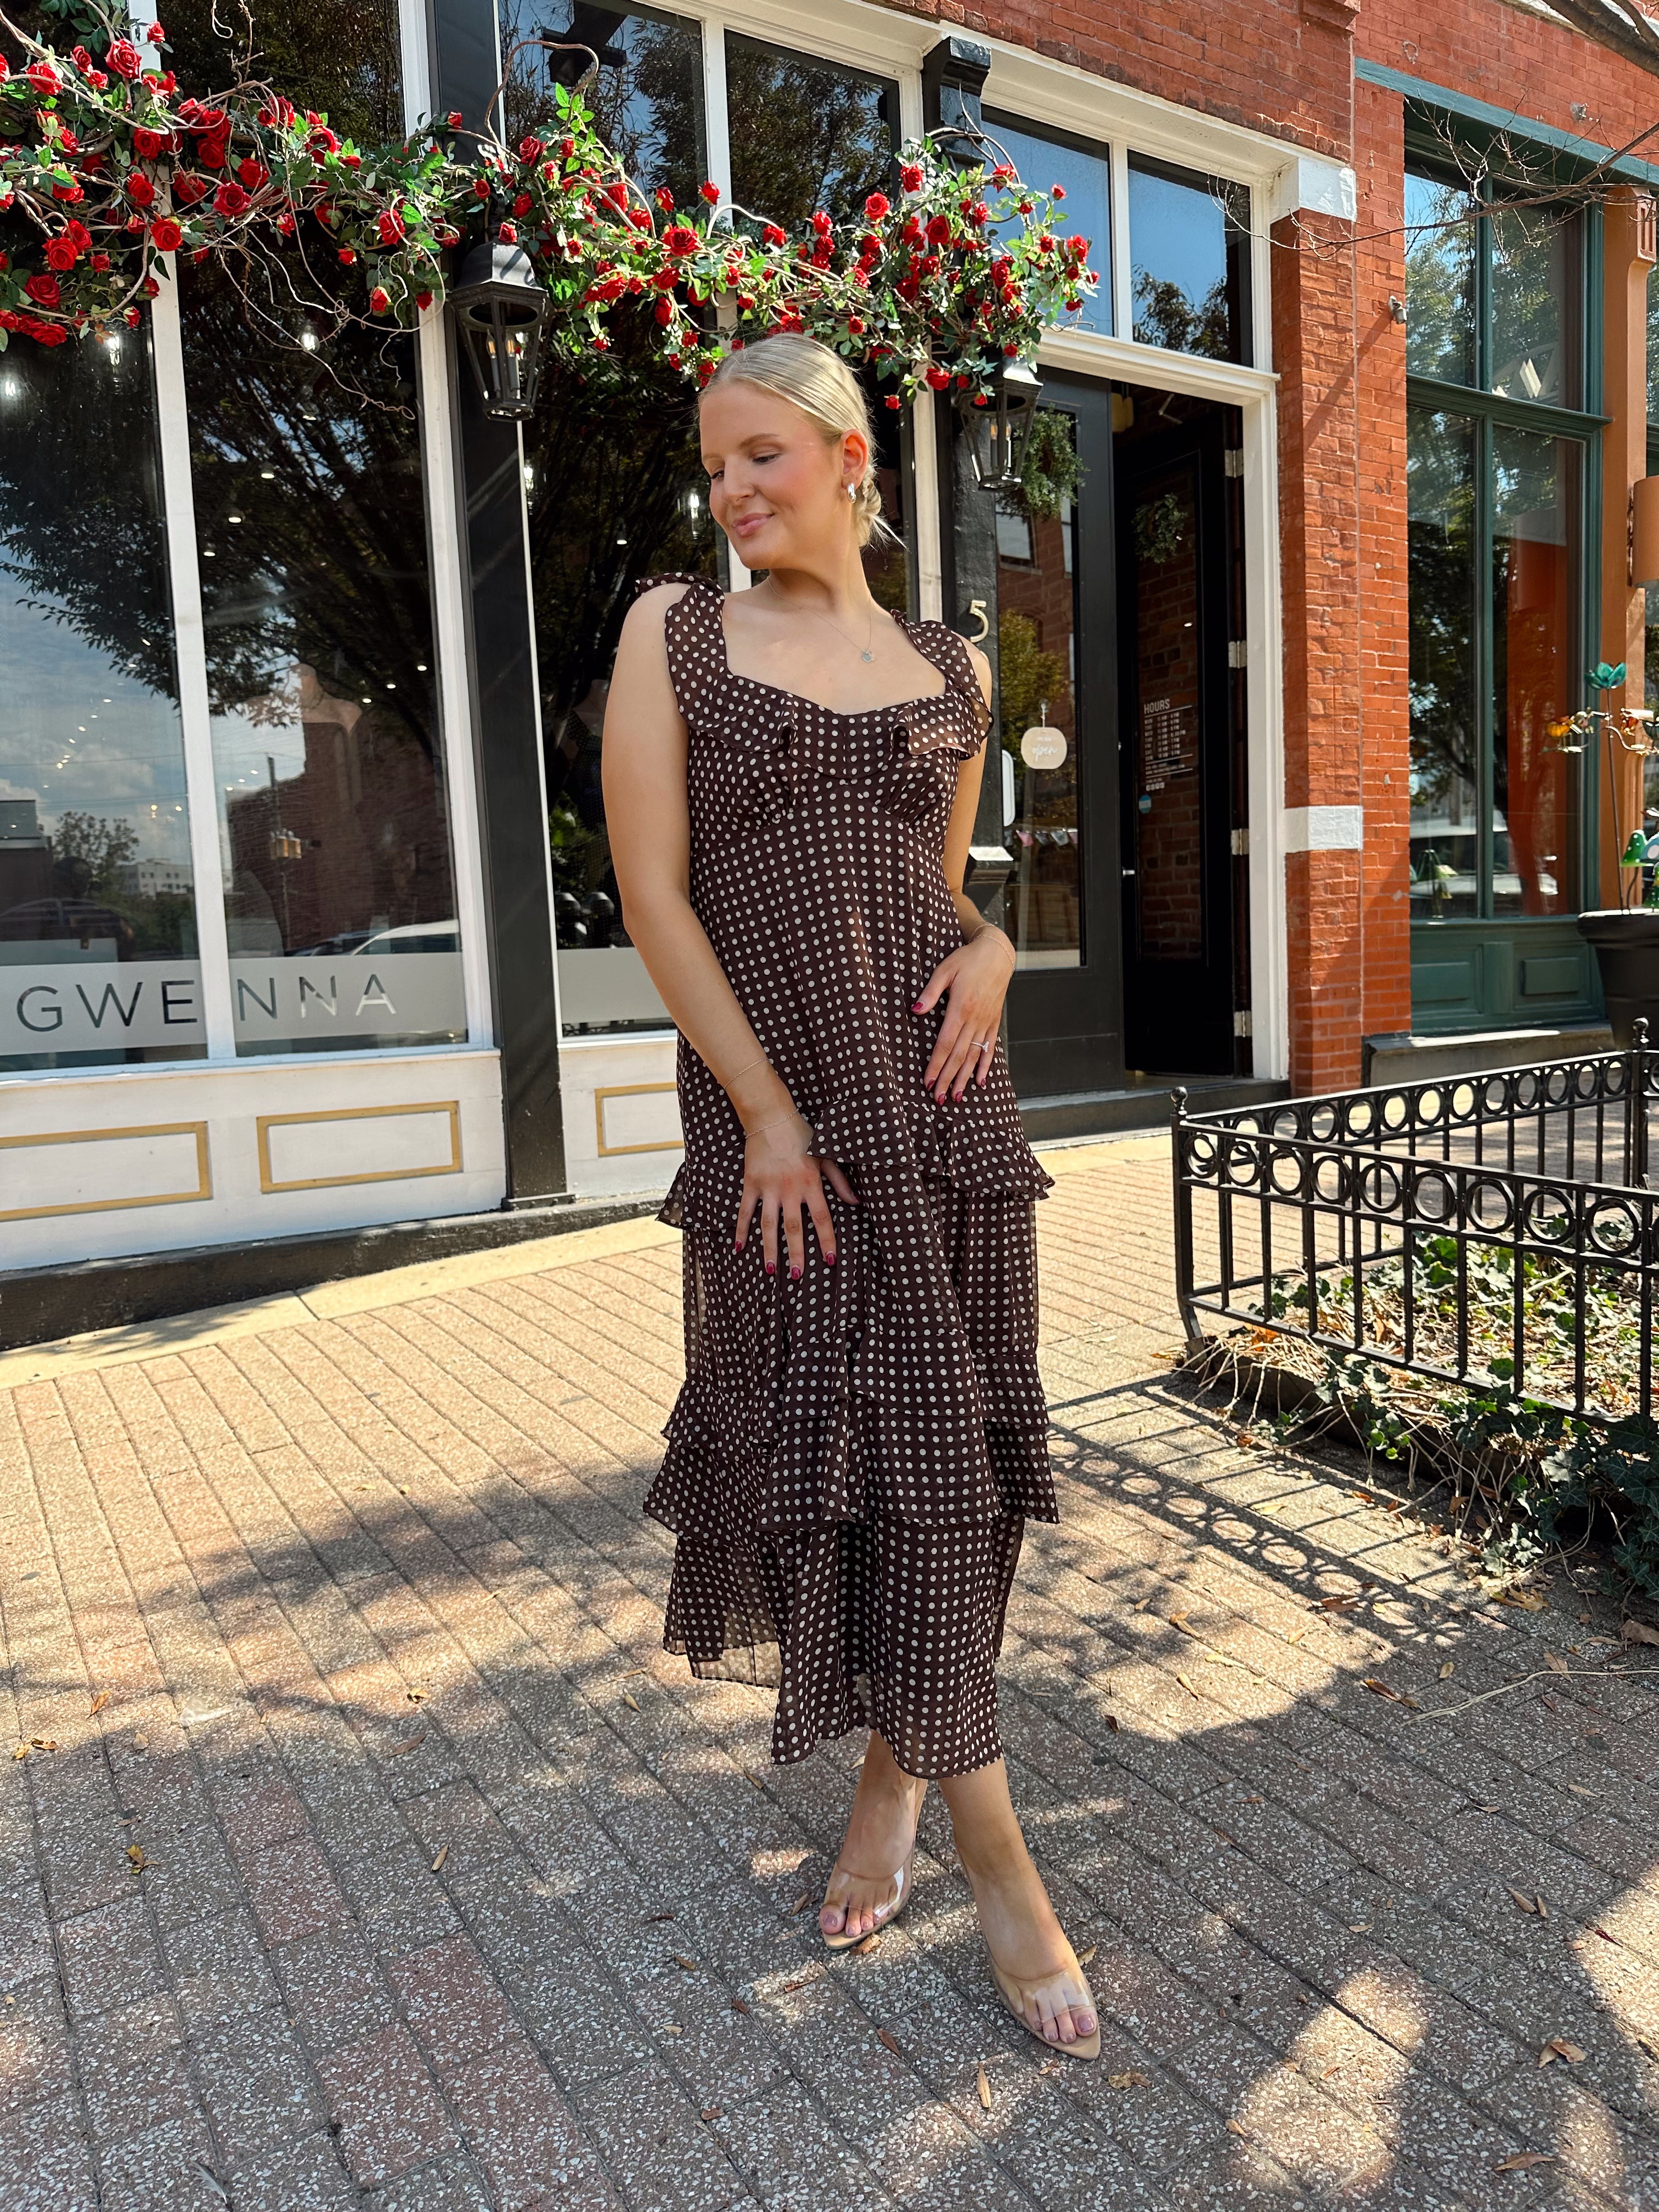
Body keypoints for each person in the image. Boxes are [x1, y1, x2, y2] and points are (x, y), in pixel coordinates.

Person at [602, 333, 1098, 2056]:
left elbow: (935, 897)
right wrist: (766, 1118)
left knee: (953, 1461)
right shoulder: (675, 632)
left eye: (764, 455)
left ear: (851, 456)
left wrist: (1007, 952)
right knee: (868, 1451)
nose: (734, 489)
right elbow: (653, 898)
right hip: (786, 1140)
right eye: (717, 463)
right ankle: (1007, 1870)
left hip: (943, 1108)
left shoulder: (951, 666)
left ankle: (896, 1791)